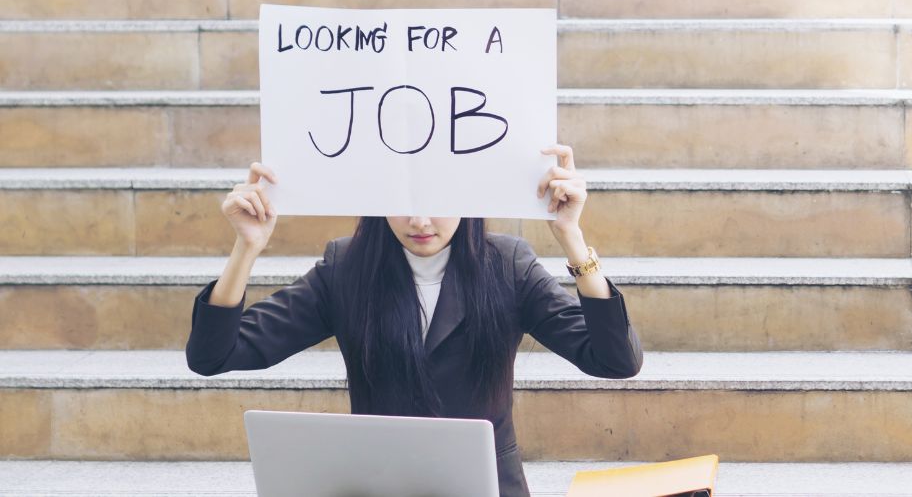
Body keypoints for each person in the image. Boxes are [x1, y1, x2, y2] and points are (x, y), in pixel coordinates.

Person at [185, 144, 643, 497]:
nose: (420, 220)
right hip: (382, 486)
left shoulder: (507, 265)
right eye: (402, 201)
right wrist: (246, 248)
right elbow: (214, 354)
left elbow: (616, 359)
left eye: (439, 199)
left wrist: (573, 240)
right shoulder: (345, 269)